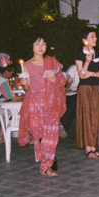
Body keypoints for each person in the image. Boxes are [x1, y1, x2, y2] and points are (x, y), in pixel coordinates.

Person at [19, 35, 67, 176]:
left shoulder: (51, 61)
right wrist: (24, 84)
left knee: (51, 134)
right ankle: (47, 158)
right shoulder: (26, 65)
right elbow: (26, 89)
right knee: (39, 134)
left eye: (43, 44)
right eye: (37, 44)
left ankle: (46, 164)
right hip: (35, 103)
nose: (41, 47)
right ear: (31, 47)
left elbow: (62, 79)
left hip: (51, 102)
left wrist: (55, 80)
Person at [74, 28, 99, 159]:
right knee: (87, 117)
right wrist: (87, 62)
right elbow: (81, 75)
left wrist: (92, 74)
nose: (95, 39)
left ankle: (94, 146)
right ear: (85, 40)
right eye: (92, 37)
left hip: (97, 87)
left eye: (95, 36)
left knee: (96, 115)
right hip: (85, 88)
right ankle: (89, 148)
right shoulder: (79, 54)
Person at [60, 63, 79, 138]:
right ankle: (62, 126)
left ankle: (63, 127)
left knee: (74, 108)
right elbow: (68, 81)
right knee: (70, 107)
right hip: (68, 93)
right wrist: (66, 87)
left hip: (78, 92)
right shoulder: (74, 67)